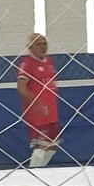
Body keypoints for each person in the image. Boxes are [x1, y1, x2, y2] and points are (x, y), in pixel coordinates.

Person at [18, 33, 60, 167]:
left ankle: (41, 170)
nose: (43, 47)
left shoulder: (49, 61)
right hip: (37, 112)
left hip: (51, 109)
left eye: (44, 43)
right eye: (39, 44)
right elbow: (21, 88)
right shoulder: (27, 64)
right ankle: (34, 173)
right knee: (40, 145)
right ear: (30, 47)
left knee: (53, 144)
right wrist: (36, 103)